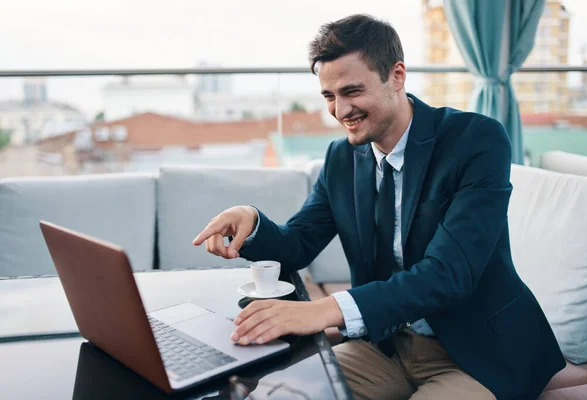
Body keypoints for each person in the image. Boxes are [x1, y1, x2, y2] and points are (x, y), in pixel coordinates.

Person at [192, 14, 565, 400]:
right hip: (389, 345)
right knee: (275, 393)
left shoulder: (475, 140)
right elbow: (298, 243)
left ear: (397, 76)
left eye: (352, 91)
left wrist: (324, 310)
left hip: (480, 355)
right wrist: (252, 223)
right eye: (329, 96)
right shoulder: (341, 159)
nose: (340, 110)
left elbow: (449, 274)